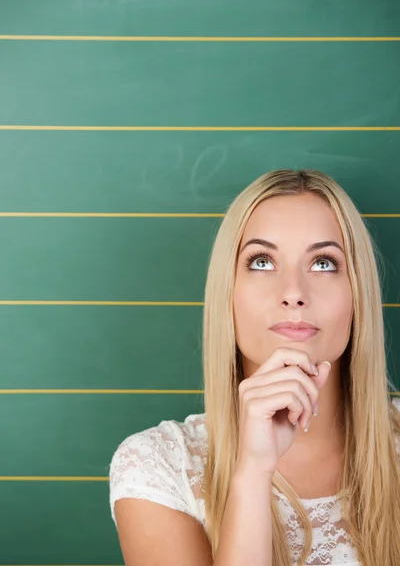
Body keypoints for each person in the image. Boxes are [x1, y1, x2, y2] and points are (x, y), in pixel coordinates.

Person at [108, 169, 400, 566]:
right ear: (227, 292)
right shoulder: (158, 466)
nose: (294, 293)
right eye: (261, 262)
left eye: (324, 263)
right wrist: (252, 473)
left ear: (357, 294)